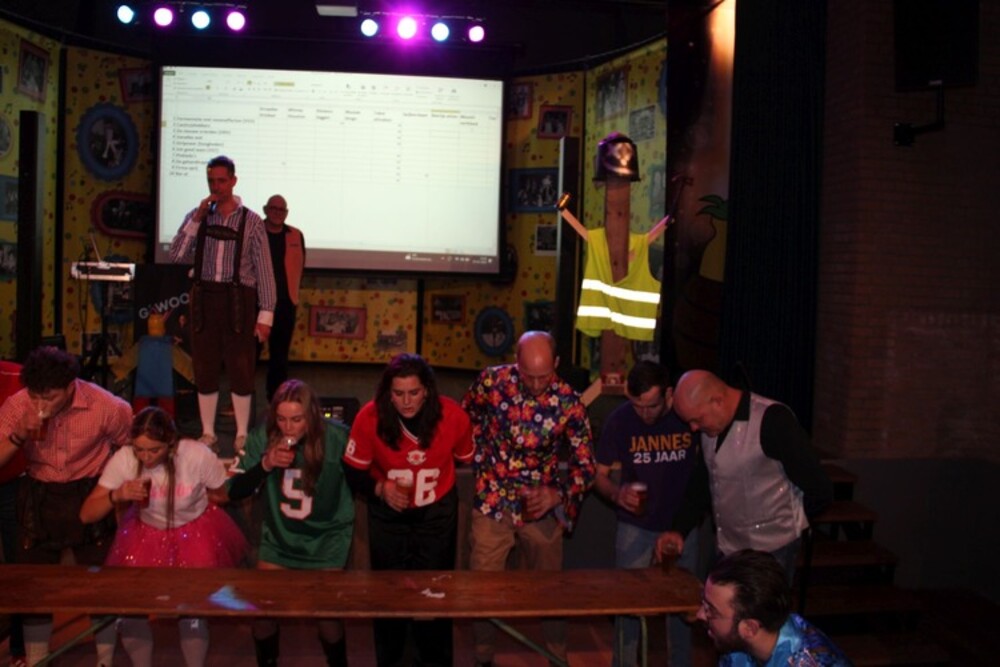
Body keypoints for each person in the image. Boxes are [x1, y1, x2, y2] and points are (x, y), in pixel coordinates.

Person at [461, 331, 596, 667]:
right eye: (529, 376)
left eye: (544, 376)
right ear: (516, 363)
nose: (536, 385)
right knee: (483, 586)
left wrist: (558, 494)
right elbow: (466, 419)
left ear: (557, 364)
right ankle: (483, 656)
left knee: (550, 588)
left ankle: (557, 655)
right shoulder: (491, 382)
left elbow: (586, 465)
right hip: (492, 499)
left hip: (540, 504)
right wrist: (480, 458)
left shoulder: (569, 402)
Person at [79, 407, 247, 667]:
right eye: (139, 449)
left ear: (170, 444)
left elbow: (222, 494)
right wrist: (117, 495)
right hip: (144, 536)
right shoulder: (125, 459)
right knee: (133, 610)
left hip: (195, 534)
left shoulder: (195, 454)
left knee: (192, 611)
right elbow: (86, 514)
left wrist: (201, 498)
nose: (145, 457)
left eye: (154, 450)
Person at [0, 346, 132, 666]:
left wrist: (113, 487)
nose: (41, 405)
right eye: (35, 396)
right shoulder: (18, 404)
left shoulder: (105, 405)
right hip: (39, 492)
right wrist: (18, 436)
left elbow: (131, 446)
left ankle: (104, 660)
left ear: (70, 387)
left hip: (88, 490)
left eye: (49, 398)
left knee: (100, 584)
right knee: (34, 586)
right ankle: (37, 659)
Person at [343, 354, 473, 667]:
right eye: (398, 393)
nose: (406, 401)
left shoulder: (453, 416)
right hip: (388, 515)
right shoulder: (369, 418)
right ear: (387, 393)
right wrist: (380, 489)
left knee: (436, 593)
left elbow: (465, 459)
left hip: (436, 514)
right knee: (388, 594)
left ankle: (435, 661)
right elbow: (351, 471)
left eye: (413, 392)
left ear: (427, 389)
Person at [215, 379, 353, 667]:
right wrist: (265, 465)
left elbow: (364, 477)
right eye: (281, 419)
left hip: (327, 539)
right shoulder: (262, 438)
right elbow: (231, 492)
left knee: (327, 617)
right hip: (280, 538)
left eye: (297, 419)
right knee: (262, 614)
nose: (288, 427)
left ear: (312, 415)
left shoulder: (338, 438)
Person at [657, 370, 833, 579]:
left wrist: (789, 523)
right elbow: (702, 483)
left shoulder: (773, 420)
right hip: (728, 547)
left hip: (772, 552)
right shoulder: (709, 428)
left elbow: (820, 488)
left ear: (717, 401)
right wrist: (678, 529)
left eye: (697, 419)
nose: (693, 428)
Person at [593, 361, 701, 667]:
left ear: (668, 394)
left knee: (682, 610)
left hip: (681, 526)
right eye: (636, 405)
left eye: (651, 406)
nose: (643, 413)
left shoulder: (687, 417)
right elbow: (597, 475)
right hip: (636, 526)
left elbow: (705, 471)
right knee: (627, 607)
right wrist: (616, 494)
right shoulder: (620, 420)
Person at [169, 155, 277, 454]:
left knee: (241, 366)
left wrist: (266, 315)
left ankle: (242, 433)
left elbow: (265, 271)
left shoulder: (251, 221)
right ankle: (208, 432)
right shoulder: (198, 217)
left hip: (239, 300)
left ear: (233, 181)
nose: (215, 186)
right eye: (211, 181)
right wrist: (196, 219)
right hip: (204, 299)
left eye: (221, 181)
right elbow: (176, 256)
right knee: (204, 366)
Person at [698, 549, 851, 666]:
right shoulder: (737, 642)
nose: (700, 615)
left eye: (711, 611)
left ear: (750, 628)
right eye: (704, 603)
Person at [259, 194, 305, 402]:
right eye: (273, 208)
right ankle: (242, 400)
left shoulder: (295, 235)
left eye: (281, 210)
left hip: (285, 304)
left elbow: (300, 266)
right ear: (265, 210)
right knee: (249, 356)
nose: (277, 213)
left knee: (279, 357)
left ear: (286, 213)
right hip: (257, 304)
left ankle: (276, 400)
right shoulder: (255, 232)